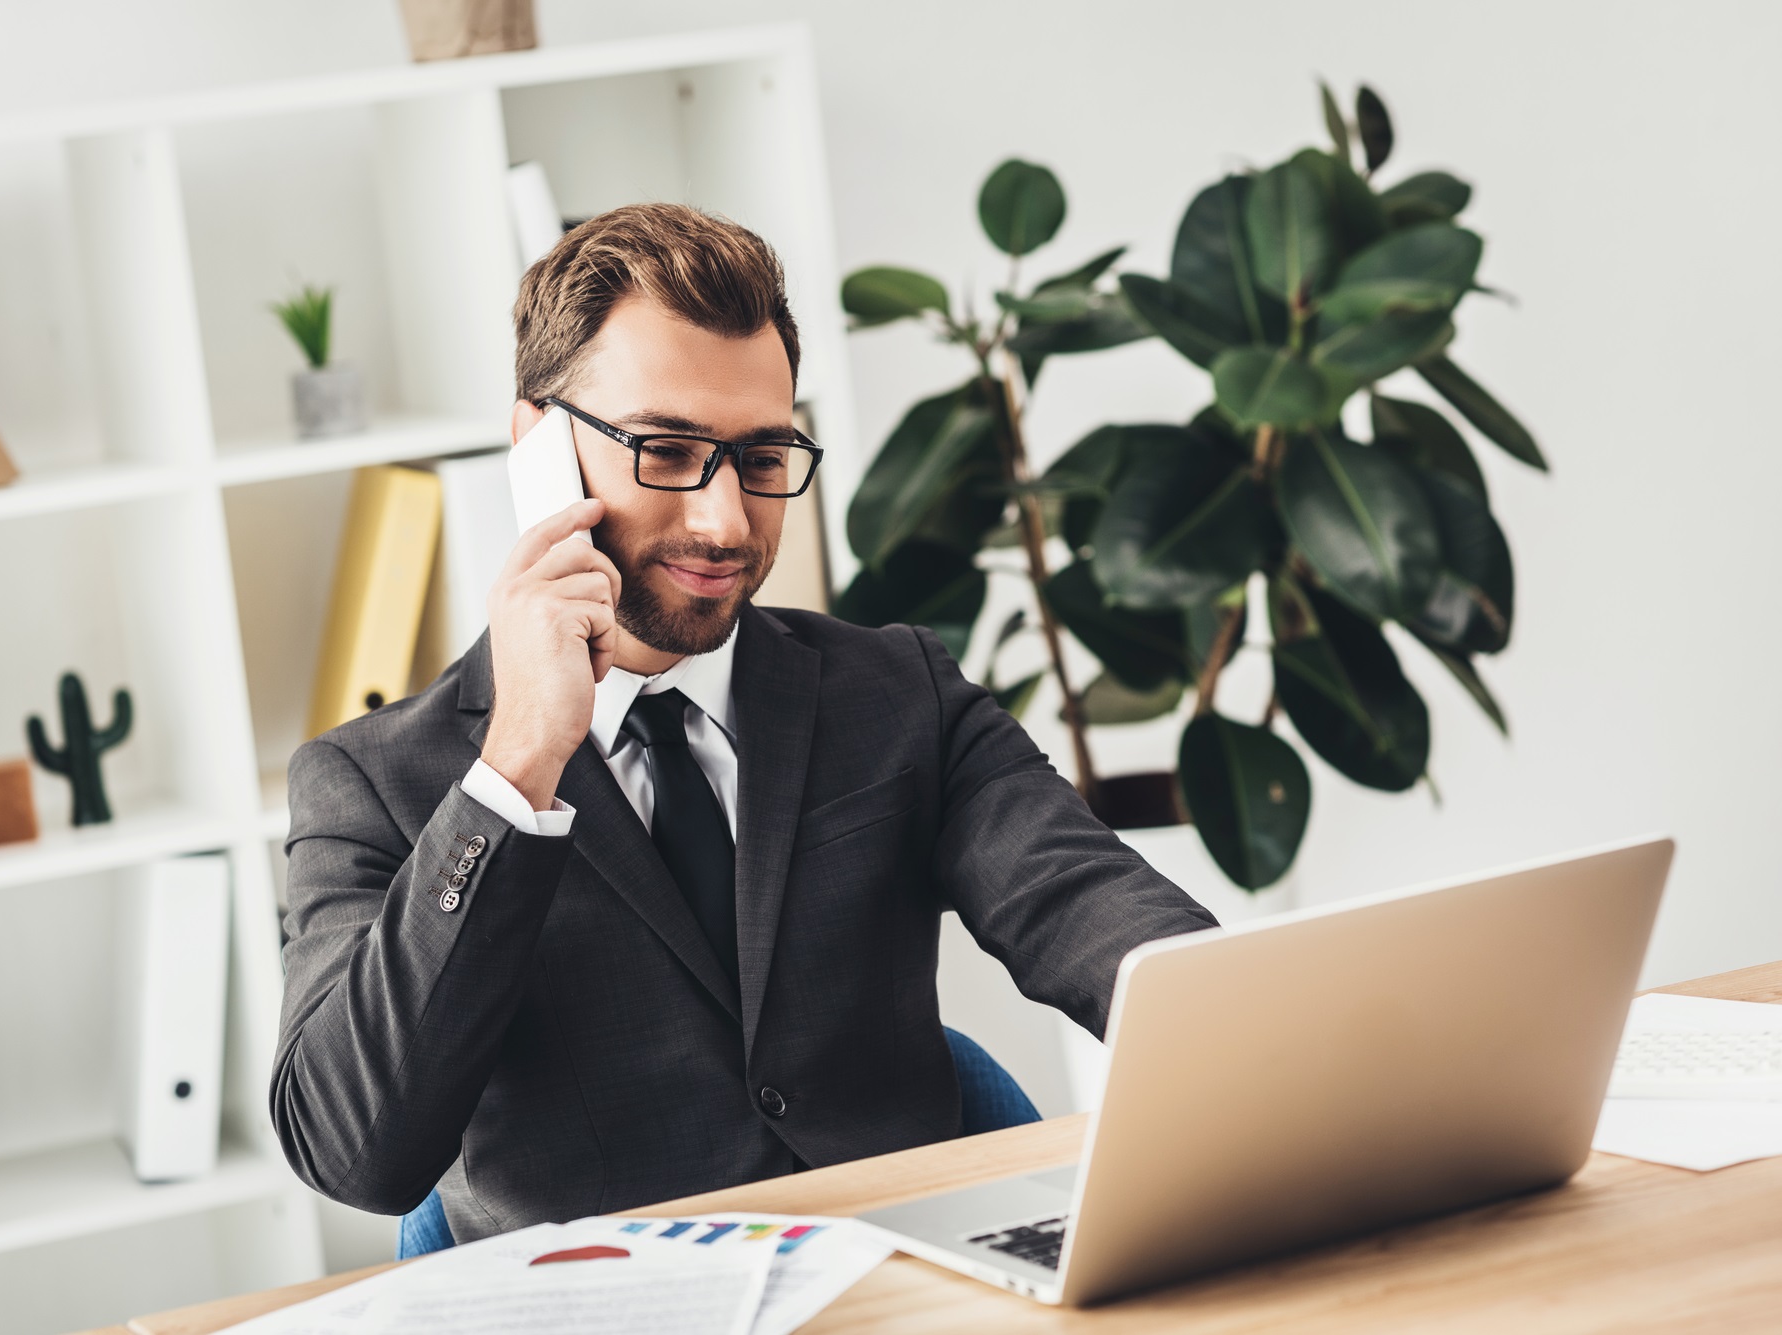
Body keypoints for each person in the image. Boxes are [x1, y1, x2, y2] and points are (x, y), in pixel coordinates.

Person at [271, 203, 1218, 1242]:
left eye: (762, 458)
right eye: (667, 451)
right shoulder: (370, 783)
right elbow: (353, 1152)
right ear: (535, 450)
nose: (723, 524)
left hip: (905, 1284)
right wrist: (516, 768)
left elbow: (1099, 917)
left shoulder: (895, 693)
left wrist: (1263, 1041)